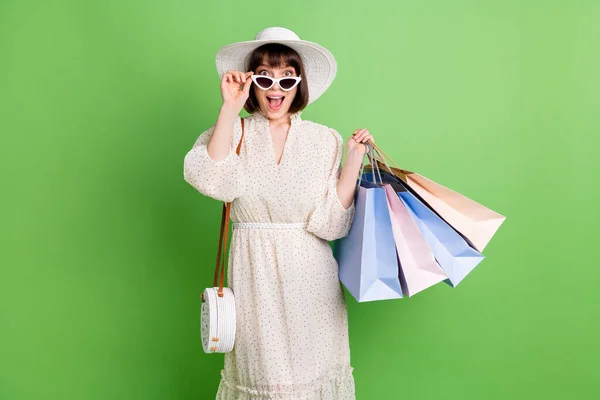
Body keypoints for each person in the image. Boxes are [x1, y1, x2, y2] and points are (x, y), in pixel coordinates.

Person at [184, 26, 374, 399]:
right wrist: (228, 106)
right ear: (252, 82)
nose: (276, 88)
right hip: (253, 277)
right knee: (266, 384)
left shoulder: (325, 140)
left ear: (299, 84)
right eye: (265, 77)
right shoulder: (235, 130)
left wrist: (353, 161)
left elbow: (331, 223)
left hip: (311, 279)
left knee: (312, 377)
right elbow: (211, 178)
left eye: (287, 79)